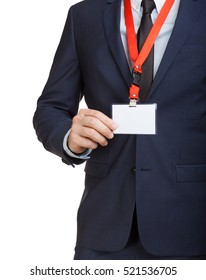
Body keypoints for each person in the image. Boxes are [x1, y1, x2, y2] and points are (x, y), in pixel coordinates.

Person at [33, 0, 206, 259]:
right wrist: (69, 137)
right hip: (104, 226)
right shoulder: (83, 16)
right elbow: (51, 107)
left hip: (192, 225)